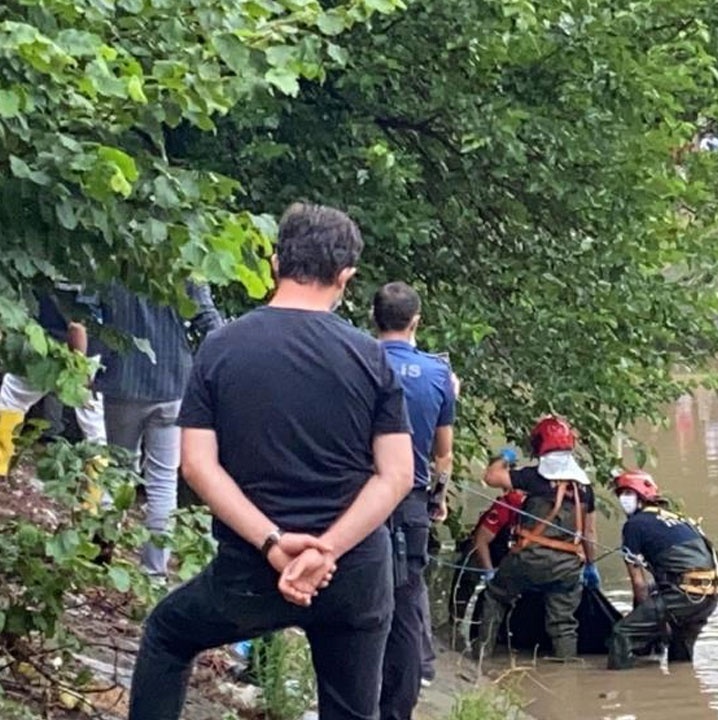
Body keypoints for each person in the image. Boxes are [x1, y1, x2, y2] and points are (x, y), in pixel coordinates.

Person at [128, 203, 415, 720]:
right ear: (345, 276)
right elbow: (396, 475)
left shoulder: (221, 347)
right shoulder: (370, 357)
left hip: (251, 570)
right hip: (352, 573)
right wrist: (326, 550)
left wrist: (274, 543)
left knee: (169, 634)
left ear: (275, 261)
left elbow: (197, 465)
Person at [97, 281, 224, 579]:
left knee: (117, 471)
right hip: (173, 382)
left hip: (122, 380)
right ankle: (154, 571)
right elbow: (209, 322)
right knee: (164, 480)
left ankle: (102, 552)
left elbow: (91, 308)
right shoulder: (186, 265)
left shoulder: (116, 257)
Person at [372, 282, 456, 720]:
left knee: (357, 598)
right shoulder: (439, 375)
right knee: (405, 610)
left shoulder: (355, 359)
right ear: (416, 322)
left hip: (358, 501)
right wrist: (437, 500)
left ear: (374, 319)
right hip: (411, 503)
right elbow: (444, 454)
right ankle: (397, 710)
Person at [477, 416, 598, 662]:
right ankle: (567, 671)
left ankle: (482, 656)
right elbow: (589, 534)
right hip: (567, 566)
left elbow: (491, 477)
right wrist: (590, 566)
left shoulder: (532, 477)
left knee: (495, 596)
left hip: (527, 560)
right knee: (564, 622)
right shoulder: (585, 489)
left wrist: (505, 458)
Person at [606, 469, 718, 670]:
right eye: (621, 494)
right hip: (710, 594)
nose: (623, 499)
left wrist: (642, 621)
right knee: (680, 652)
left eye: (628, 493)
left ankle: (620, 692)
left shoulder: (634, 525)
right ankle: (680, 689)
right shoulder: (678, 518)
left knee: (622, 633)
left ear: (641, 497)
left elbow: (639, 585)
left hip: (683, 593)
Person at [0, 284, 106, 477]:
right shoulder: (93, 268)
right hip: (88, 349)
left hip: (45, 343)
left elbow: (77, 325)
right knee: (94, 425)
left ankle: (0, 464)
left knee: (11, 400)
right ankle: (96, 498)